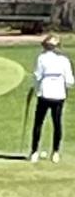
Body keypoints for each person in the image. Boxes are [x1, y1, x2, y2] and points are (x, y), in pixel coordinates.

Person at [30, 35, 74, 163]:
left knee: (39, 123)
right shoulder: (64, 60)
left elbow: (37, 76)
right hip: (57, 95)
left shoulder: (42, 58)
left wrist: (35, 89)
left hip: (45, 94)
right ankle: (55, 152)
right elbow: (70, 80)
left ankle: (34, 151)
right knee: (57, 123)